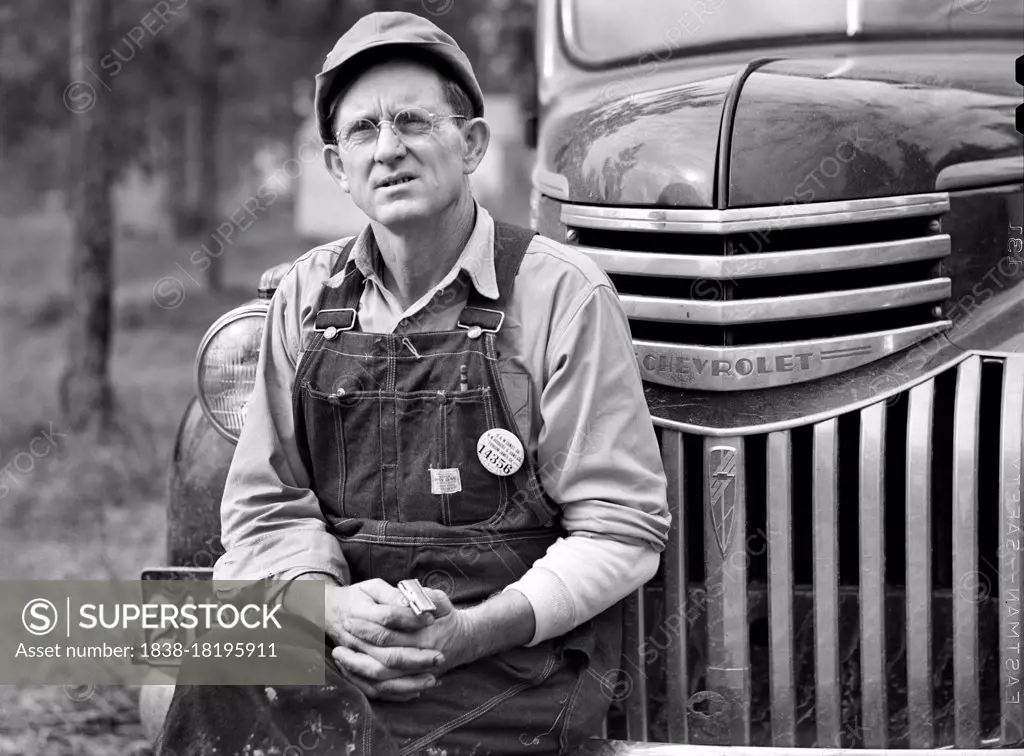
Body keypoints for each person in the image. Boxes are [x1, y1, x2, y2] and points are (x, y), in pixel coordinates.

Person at [158, 11, 669, 756]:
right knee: (197, 667)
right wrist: (329, 609)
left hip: (509, 660)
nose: (389, 148)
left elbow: (619, 529)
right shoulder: (305, 297)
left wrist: (463, 633)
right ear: (338, 168)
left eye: (413, 121)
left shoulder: (561, 295)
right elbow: (266, 511)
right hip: (339, 641)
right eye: (363, 131)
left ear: (472, 144)